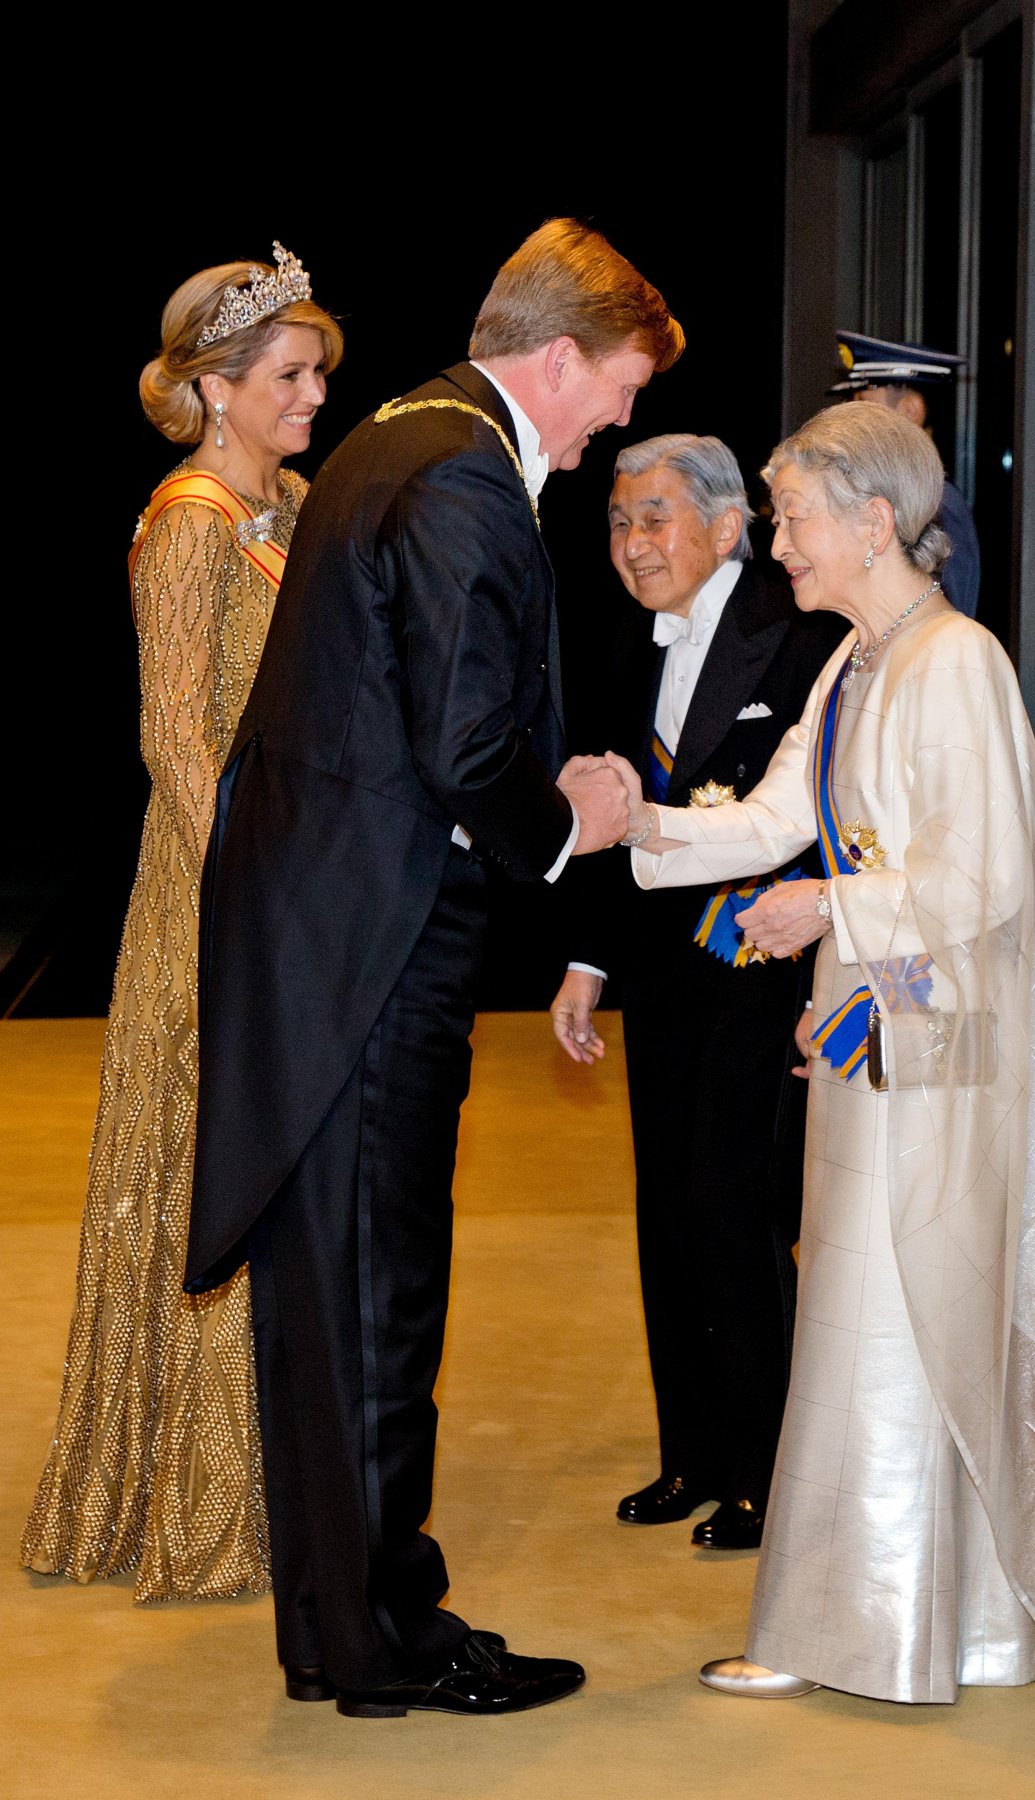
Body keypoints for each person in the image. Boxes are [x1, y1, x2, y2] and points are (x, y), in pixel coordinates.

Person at [182, 220, 683, 1718]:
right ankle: (391, 1643)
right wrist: (574, 815)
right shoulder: (464, 471)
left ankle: (341, 1628)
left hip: (320, 943)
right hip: (367, 964)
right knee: (374, 1305)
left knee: (329, 1313)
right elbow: (465, 750)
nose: (623, 423)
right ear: (560, 358)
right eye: (623, 388)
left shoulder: (405, 431)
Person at [607, 402, 1035, 1704]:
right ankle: (931, 1624)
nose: (777, 541)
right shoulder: (854, 664)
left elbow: (987, 873)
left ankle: (889, 1628)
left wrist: (825, 909)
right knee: (872, 1319)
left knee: (899, 1316)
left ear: (871, 520)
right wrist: (621, 825)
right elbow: (772, 818)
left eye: (791, 517)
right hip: (878, 1034)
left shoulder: (954, 661)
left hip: (939, 1046)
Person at [22, 245, 342, 1601]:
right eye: (290, 374)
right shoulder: (194, 519)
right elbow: (172, 736)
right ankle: (199, 1498)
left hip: (297, 872)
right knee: (216, 1150)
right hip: (218, 889)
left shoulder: (299, 504)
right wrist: (253, 903)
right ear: (217, 391)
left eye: (320, 370)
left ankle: (287, 1475)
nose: (316, 393)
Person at [550, 434, 843, 1549]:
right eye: (620, 521)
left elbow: (819, 821)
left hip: (762, 972)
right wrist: (589, 963)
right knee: (666, 1214)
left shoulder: (805, 631)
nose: (633, 544)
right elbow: (609, 818)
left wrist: (828, 966)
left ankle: (771, 1470)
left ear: (727, 526)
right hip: (664, 977)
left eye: (656, 518)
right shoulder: (631, 637)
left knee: (737, 1214)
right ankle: (696, 1457)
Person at [830, 329, 980, 617]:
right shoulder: (895, 496)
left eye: (863, 404)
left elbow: (948, 625)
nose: (854, 418)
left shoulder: (939, 506)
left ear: (911, 411)